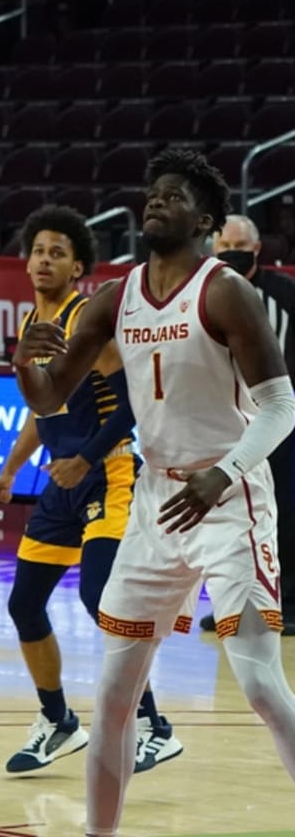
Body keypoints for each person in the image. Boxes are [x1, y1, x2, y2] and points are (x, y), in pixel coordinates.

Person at [12, 149, 295, 837]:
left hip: (230, 494)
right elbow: (51, 398)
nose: (155, 202)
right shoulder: (116, 297)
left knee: (258, 680)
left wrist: (223, 473)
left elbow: (282, 406)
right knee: (113, 696)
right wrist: (26, 363)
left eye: (173, 196)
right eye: (152, 193)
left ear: (204, 219)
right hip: (156, 502)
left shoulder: (224, 291)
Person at [0, 206, 181, 778]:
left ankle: (153, 726)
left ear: (77, 267)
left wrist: (86, 458)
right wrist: (9, 468)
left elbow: (132, 403)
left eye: (57, 252)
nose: (44, 260)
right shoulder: (33, 328)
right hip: (60, 481)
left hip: (109, 472)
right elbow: (39, 410)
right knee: (24, 604)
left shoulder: (86, 321)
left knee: (100, 598)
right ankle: (58, 721)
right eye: (38, 250)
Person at [199, 214, 295, 635]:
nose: (232, 251)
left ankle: (287, 601)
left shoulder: (284, 294)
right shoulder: (203, 293)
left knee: (286, 514)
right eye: (224, 246)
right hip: (228, 423)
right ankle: (233, 606)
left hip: (282, 423)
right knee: (233, 520)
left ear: (257, 249)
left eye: (240, 244)